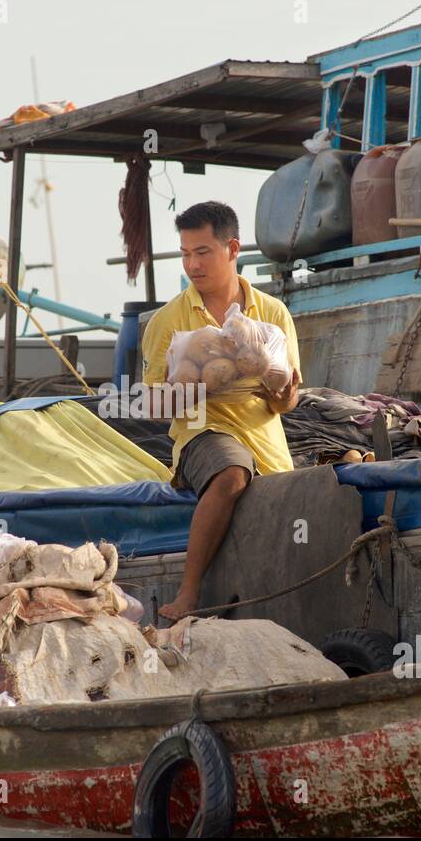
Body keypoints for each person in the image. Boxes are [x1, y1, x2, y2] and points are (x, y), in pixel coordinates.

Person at [141, 201, 301, 621]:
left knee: (300, 501)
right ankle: (190, 592)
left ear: (232, 248)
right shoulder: (167, 321)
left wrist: (279, 387)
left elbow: (287, 401)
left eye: (203, 252)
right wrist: (193, 387)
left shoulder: (271, 314)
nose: (192, 264)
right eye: (185, 253)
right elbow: (152, 405)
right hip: (200, 434)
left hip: (266, 441)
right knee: (232, 472)